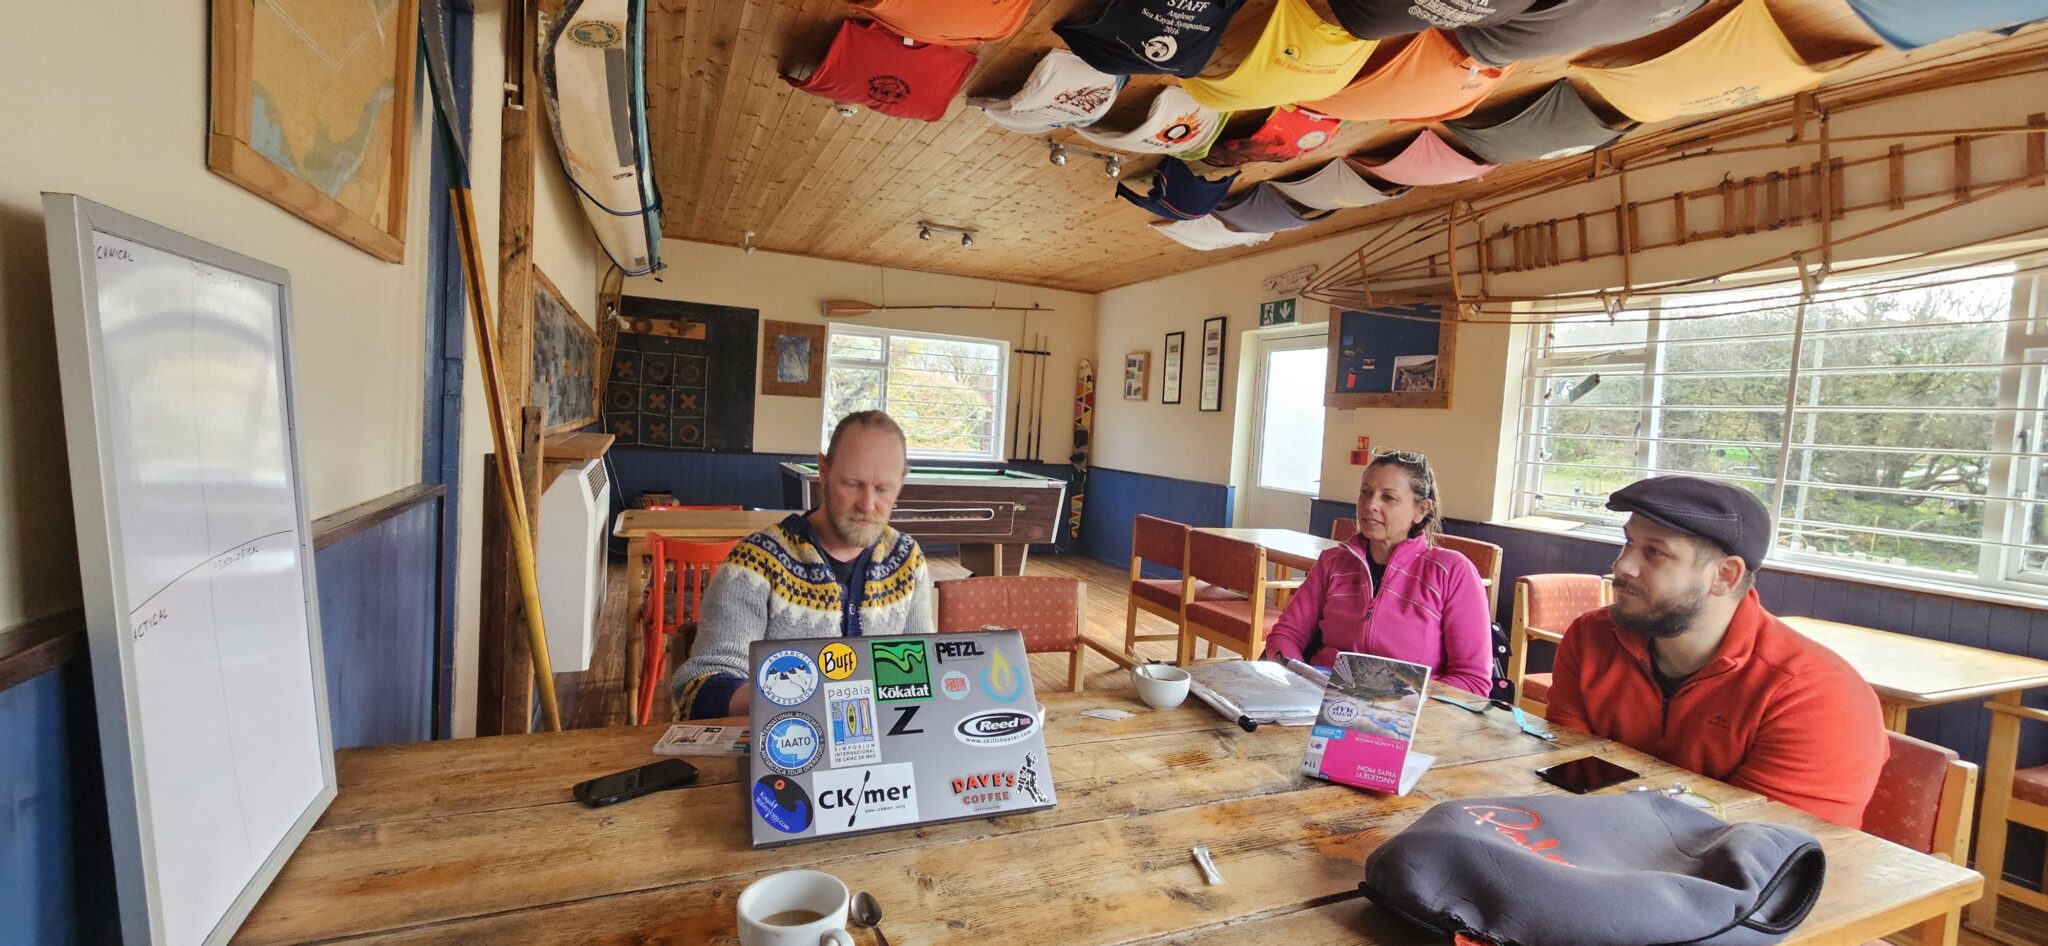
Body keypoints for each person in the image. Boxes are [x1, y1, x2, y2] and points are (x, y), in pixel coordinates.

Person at [1544, 475, 1887, 828]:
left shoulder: (1814, 697)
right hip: (1598, 848)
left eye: (1654, 552)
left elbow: (1760, 850)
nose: (1622, 566)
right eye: (1628, 542)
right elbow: (1566, 776)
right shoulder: (1592, 638)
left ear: (1725, 575)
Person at [672, 410, 934, 719]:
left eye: (882, 489)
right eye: (852, 483)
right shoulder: (754, 565)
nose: (866, 504)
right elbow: (697, 690)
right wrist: (801, 696)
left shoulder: (907, 560)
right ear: (823, 471)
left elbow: (920, 674)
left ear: (901, 482)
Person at [1263, 450, 1494, 696]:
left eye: (1389, 498)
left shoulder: (1453, 572)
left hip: (1413, 718)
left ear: (1421, 510)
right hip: (1321, 701)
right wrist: (1297, 680)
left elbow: (1473, 681)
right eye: (1366, 492)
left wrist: (1397, 700)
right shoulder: (1333, 563)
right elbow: (1287, 635)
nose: (1371, 505)